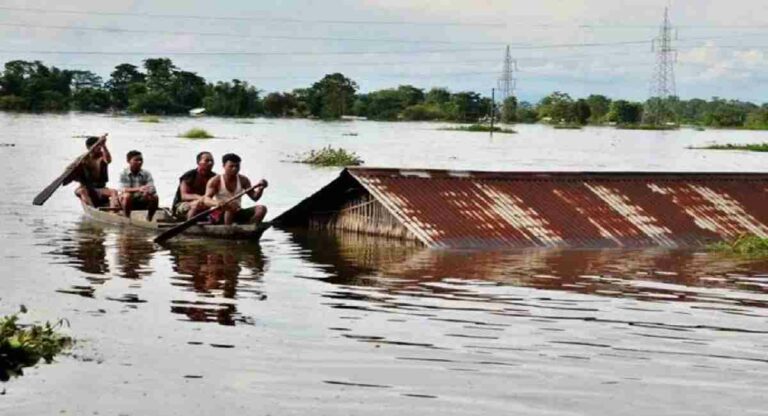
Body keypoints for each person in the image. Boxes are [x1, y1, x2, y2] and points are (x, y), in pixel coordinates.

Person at [203, 153, 267, 225]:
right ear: (224, 166)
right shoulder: (215, 180)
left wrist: (261, 189)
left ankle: (250, 227)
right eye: (231, 166)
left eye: (237, 166)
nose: (235, 169)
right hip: (220, 214)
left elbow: (255, 197)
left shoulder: (243, 180)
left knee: (261, 209)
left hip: (237, 211)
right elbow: (206, 200)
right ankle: (228, 229)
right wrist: (217, 203)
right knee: (231, 206)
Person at [73, 135, 118, 208]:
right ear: (89, 147)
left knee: (114, 192)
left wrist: (104, 145)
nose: (99, 148)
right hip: (85, 188)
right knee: (82, 191)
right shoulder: (83, 159)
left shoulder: (102, 157)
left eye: (100, 146)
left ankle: (113, 211)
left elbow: (108, 160)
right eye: (98, 146)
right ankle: (92, 209)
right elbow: (73, 176)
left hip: (100, 188)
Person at [172, 151, 216, 220]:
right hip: (182, 206)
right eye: (207, 160)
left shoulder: (215, 177)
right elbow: (184, 196)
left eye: (212, 161)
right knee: (196, 205)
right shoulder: (189, 176)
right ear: (199, 162)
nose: (210, 163)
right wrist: (199, 197)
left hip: (204, 205)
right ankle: (189, 226)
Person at [119, 150, 159, 221]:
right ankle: (127, 218)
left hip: (141, 197)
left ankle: (149, 219)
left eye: (141, 160)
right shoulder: (123, 173)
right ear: (129, 161)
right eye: (136, 160)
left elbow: (152, 187)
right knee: (127, 196)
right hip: (128, 199)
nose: (139, 162)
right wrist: (139, 189)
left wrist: (147, 191)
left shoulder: (146, 173)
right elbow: (123, 189)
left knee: (155, 197)